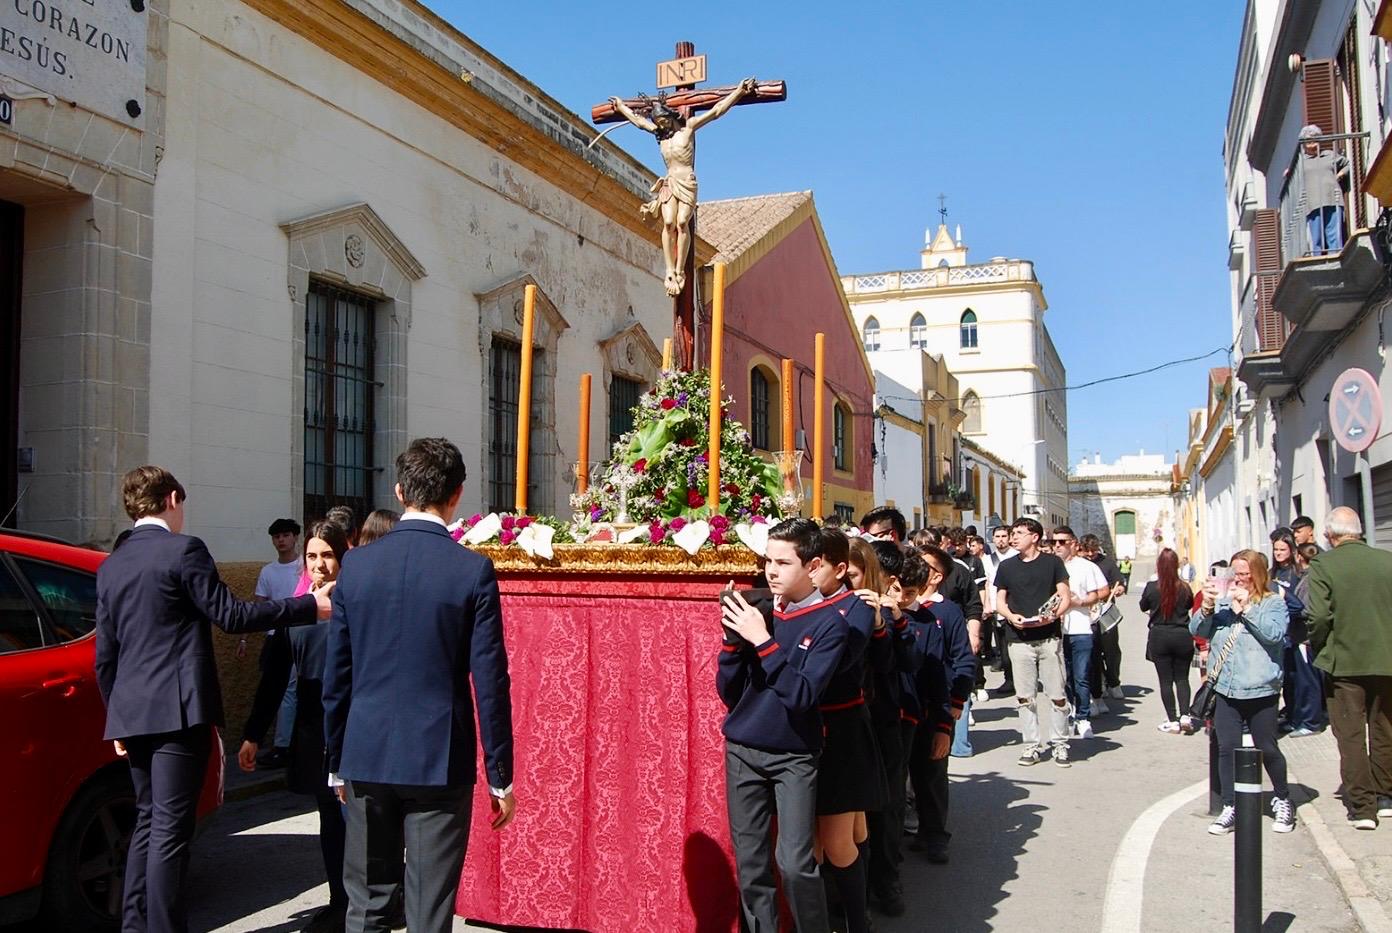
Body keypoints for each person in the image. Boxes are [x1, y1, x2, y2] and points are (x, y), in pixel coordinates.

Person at [93, 466, 331, 933]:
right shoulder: (184, 550)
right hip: (179, 711)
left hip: (132, 711)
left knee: (147, 819)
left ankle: (136, 924)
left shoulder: (112, 564)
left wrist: (114, 717)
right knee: (169, 829)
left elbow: (107, 653)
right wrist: (309, 605)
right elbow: (232, 615)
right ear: (173, 499)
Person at [323, 438, 516, 932]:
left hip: (364, 752)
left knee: (365, 905)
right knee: (429, 912)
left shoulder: (359, 566)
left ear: (400, 490)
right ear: (457, 496)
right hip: (437, 754)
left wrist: (336, 762)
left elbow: (337, 676)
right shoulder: (471, 570)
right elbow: (491, 680)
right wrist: (500, 774)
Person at [718, 518, 847, 932]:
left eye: (784, 562)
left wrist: (762, 641)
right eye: (767, 560)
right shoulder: (758, 610)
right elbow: (729, 691)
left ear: (811, 567)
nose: (771, 571)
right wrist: (731, 645)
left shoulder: (831, 623)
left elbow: (802, 696)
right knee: (751, 864)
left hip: (795, 754)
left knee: (794, 863)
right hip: (743, 749)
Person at [239, 520, 355, 933]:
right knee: (330, 819)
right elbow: (274, 677)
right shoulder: (297, 608)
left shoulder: (359, 604)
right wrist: (253, 733)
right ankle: (340, 901)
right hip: (313, 731)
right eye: (312, 556)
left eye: (328, 555)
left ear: (344, 555)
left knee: (359, 819)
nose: (320, 565)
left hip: (355, 729)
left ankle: (372, 900)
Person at [809, 528, 886, 933]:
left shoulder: (857, 611)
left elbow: (864, 663)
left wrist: (882, 624)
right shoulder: (803, 604)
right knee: (823, 841)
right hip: (815, 730)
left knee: (842, 838)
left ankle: (858, 919)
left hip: (846, 729)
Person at [1190, 550, 1296, 835]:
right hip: (1226, 688)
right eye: (1235, 573)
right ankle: (1230, 806)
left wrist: (1247, 609)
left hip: (1261, 689)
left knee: (1267, 747)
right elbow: (1197, 629)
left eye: (1245, 573)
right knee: (1227, 749)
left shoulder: (1273, 603)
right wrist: (1208, 606)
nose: (1239, 579)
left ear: (1259, 573)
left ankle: (1283, 799)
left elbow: (1274, 635)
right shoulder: (1224, 603)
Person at [1305, 507, 1392, 830]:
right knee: (1384, 729)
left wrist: (1320, 646)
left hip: (1344, 661)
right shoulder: (1386, 561)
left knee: (1351, 734)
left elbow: (1319, 617)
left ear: (1330, 535)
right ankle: (1385, 796)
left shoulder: (1324, 564)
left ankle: (1362, 806)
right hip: (1385, 658)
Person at [906, 546, 973, 863]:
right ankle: (912, 830)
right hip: (906, 705)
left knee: (931, 774)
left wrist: (956, 700)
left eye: (924, 565)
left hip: (936, 705)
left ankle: (934, 835)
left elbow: (963, 660)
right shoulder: (903, 607)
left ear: (936, 576)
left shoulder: (947, 613)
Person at [994, 518, 1073, 767]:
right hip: (1019, 640)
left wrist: (1051, 616)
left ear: (1035, 536)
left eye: (1019, 533)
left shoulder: (1053, 563)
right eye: (1011, 533)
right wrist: (1010, 616)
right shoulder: (1006, 567)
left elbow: (1065, 597)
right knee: (1025, 696)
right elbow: (1000, 601)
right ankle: (1031, 745)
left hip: (1049, 638)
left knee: (1057, 694)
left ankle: (1060, 743)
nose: (1013, 537)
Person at [252, 517, 305, 769]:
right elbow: (259, 607)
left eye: (285, 535)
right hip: (275, 638)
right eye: (276, 536)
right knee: (276, 691)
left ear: (295, 537)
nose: (281, 540)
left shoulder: (304, 566)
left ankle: (284, 746)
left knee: (290, 691)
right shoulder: (268, 571)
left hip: (301, 636)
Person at [1051, 527, 1110, 740]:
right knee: (1063, 678)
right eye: (1054, 541)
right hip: (1056, 630)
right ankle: (1072, 710)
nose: (1057, 545)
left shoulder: (1086, 567)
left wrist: (1081, 601)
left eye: (1062, 542)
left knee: (1082, 675)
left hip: (1081, 627)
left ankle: (1083, 718)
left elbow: (1102, 591)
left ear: (1074, 544)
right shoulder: (1049, 565)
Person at [1272, 528, 1325, 738]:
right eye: (1275, 549)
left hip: (1301, 635)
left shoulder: (1302, 576)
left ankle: (1310, 722)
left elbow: (1305, 606)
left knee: (1306, 680)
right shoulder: (1274, 573)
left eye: (1282, 549)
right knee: (1291, 681)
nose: (1278, 553)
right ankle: (1295, 718)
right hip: (1286, 636)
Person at [1141, 548, 1196, 734]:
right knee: (1182, 678)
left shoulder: (1151, 587)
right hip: (1182, 634)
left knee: (1165, 681)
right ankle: (1185, 715)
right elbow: (1189, 605)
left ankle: (1172, 720)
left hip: (1160, 635)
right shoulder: (1185, 587)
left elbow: (1143, 606)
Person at [1080, 534, 1127, 713]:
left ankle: (1114, 681)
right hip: (1086, 613)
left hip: (1105, 612)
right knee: (1093, 652)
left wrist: (1120, 588)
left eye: (1093, 551)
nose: (1091, 554)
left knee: (1112, 650)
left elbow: (1118, 581)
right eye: (1087, 551)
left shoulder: (1107, 563)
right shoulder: (1080, 565)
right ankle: (1099, 684)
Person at [1296, 124, 1349, 256]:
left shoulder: (1329, 155)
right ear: (1303, 144)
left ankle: (1335, 257)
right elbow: (1291, 177)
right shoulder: (1300, 162)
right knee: (1316, 237)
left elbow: (1347, 164)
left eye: (1315, 140)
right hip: (1312, 203)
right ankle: (1317, 258)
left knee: (1334, 234)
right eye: (1309, 142)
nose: (1313, 145)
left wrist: (1340, 174)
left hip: (1332, 198)